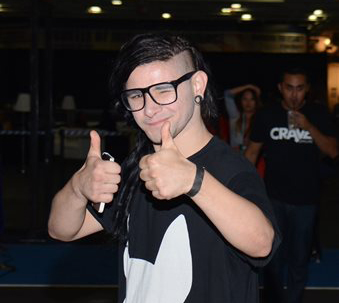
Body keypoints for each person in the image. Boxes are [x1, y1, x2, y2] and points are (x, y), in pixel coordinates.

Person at [48, 33, 280, 303]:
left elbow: (262, 243)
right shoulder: (135, 169)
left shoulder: (231, 168)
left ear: (197, 85)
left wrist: (194, 181)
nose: (149, 109)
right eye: (136, 96)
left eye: (164, 90)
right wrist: (78, 188)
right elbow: (62, 230)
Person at [244, 66, 338, 303]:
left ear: (306, 89)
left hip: (307, 200)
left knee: (299, 259)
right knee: (272, 258)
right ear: (280, 88)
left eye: (299, 88)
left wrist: (309, 127)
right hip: (273, 198)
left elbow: (333, 151)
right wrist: (243, 190)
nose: (294, 94)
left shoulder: (318, 114)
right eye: (289, 88)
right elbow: (252, 154)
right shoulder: (267, 115)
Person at [223, 84, 265, 177]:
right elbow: (227, 95)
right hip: (235, 161)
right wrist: (249, 86)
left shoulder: (261, 119)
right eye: (245, 99)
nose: (248, 103)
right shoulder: (235, 117)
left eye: (252, 99)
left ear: (256, 101)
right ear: (240, 101)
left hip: (255, 162)